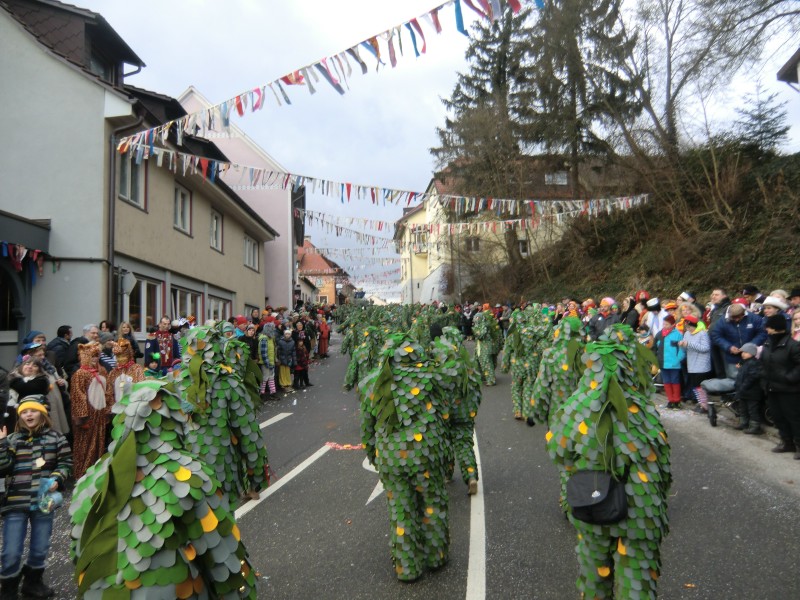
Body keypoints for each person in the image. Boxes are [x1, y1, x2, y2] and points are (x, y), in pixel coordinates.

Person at [360, 335, 453, 582]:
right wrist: (445, 453)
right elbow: (445, 417)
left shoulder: (373, 383)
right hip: (427, 454)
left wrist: (375, 457)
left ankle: (407, 567)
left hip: (391, 458)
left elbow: (367, 429)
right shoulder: (433, 378)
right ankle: (436, 555)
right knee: (432, 501)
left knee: (400, 507)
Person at [0, 397, 72, 599]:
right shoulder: (13, 439)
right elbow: (3, 467)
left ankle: (32, 583)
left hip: (44, 501)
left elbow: (66, 462)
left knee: (40, 547)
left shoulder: (56, 438)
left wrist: (58, 477)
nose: (28, 415)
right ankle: (8, 588)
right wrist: (1, 445)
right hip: (16, 501)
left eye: (33, 411)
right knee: (11, 550)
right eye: (24, 412)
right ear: (20, 416)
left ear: (42, 413)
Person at [69, 342, 113, 480]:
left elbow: (108, 391)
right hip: (87, 418)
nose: (95, 359)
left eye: (97, 356)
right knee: (84, 446)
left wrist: (107, 409)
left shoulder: (102, 371)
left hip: (99, 417)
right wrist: (82, 418)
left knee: (99, 444)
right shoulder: (80, 374)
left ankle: (95, 474)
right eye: (92, 356)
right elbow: (78, 396)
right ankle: (81, 474)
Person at [760, 314, 800, 457]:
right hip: (772, 387)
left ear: (776, 329)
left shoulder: (793, 345)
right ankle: (786, 442)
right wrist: (763, 378)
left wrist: (788, 378)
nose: (767, 329)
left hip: (789, 389)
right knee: (778, 416)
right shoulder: (768, 343)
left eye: (769, 327)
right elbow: (764, 362)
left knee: (793, 417)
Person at [710, 303, 767, 381]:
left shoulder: (754, 318)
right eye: (733, 317)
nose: (736, 320)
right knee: (734, 379)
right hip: (732, 357)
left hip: (752, 356)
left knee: (752, 379)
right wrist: (728, 347)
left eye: (739, 317)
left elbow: (762, 333)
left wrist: (750, 346)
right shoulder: (722, 321)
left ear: (744, 313)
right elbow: (716, 335)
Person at [678, 315, 713, 413]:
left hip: (701, 365)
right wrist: (682, 346)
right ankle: (701, 403)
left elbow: (705, 348)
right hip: (691, 363)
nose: (688, 329)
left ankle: (704, 405)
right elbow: (686, 349)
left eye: (689, 327)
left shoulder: (702, 334)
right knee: (695, 385)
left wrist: (689, 344)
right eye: (686, 327)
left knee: (700, 386)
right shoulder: (687, 334)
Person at [654, 315, 685, 409]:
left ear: (673, 325)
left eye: (667, 324)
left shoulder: (678, 334)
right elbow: (655, 348)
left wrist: (678, 359)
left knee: (675, 381)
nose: (664, 326)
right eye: (663, 324)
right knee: (666, 382)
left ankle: (677, 400)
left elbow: (682, 349)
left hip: (674, 363)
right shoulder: (659, 335)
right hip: (662, 363)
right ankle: (670, 400)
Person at [732, 343, 764, 435]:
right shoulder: (744, 362)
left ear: (752, 353)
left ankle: (755, 427)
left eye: (746, 352)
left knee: (752, 409)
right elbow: (742, 376)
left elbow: (751, 378)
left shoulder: (755, 363)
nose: (743, 354)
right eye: (742, 352)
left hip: (752, 392)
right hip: (743, 391)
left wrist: (742, 387)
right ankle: (744, 423)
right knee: (743, 408)